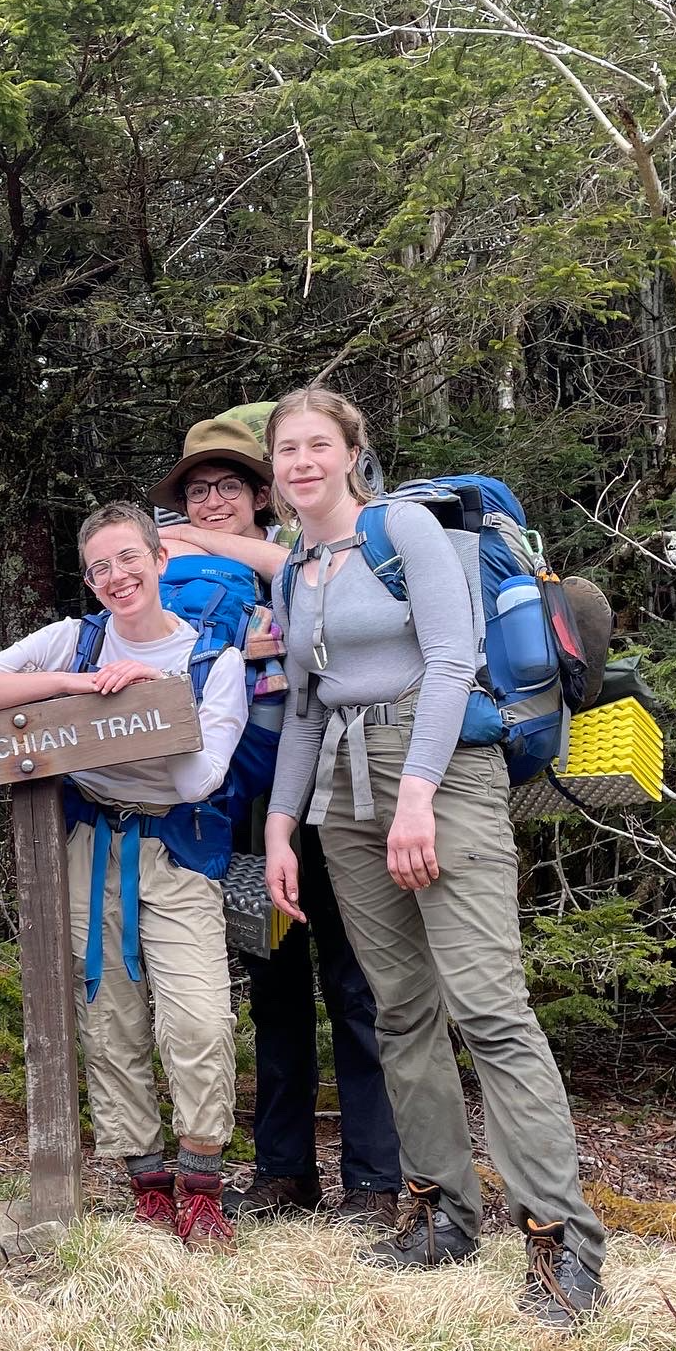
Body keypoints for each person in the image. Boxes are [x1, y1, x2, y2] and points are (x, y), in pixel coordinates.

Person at [263, 385, 607, 1328]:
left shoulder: (402, 531)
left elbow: (453, 660)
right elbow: (302, 706)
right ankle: (442, 1213)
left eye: (315, 445)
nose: (301, 463)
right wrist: (280, 828)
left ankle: (560, 1242)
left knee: (488, 1008)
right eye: (285, 449)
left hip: (440, 770)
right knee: (399, 1009)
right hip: (343, 787)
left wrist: (418, 793)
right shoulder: (297, 569)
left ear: (349, 452)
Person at [0, 502, 247, 1250]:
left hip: (177, 851)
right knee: (107, 1020)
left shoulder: (215, 661)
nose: (117, 577)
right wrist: (75, 688)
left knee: (198, 1020)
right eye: (100, 567)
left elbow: (201, 778)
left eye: (128, 559)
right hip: (90, 843)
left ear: (159, 561)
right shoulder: (72, 642)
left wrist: (152, 702)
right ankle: (147, 1183)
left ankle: (202, 1185)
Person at [150, 410, 403, 1227]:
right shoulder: (169, 571)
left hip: (338, 791)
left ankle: (373, 1178)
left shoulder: (312, 549)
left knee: (357, 980)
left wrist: (198, 538)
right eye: (195, 489)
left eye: (226, 485)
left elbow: (294, 575)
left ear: (261, 494)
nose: (211, 500)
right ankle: (285, 1172)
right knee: (273, 987)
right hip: (246, 807)